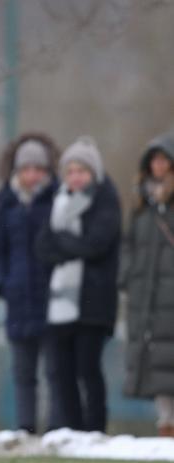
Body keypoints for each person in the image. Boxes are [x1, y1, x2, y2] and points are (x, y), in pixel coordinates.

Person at [36, 136, 121, 432]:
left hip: (94, 304)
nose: (75, 177)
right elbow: (42, 247)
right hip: (60, 305)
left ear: (93, 173)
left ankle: (94, 429)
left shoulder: (106, 199)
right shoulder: (58, 202)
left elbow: (96, 245)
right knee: (62, 371)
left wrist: (63, 244)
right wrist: (70, 245)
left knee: (88, 369)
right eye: (70, 171)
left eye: (81, 171)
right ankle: (71, 430)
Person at [0, 134, 60, 433]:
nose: (32, 175)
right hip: (18, 298)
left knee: (56, 370)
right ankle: (25, 427)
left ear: (46, 171)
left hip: (52, 299)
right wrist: (1, 282)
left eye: (38, 169)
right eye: (26, 169)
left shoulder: (59, 201)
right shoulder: (5, 205)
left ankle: (59, 429)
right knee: (22, 371)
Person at [120, 131, 174, 437]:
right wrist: (128, 277)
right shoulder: (141, 205)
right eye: (154, 160)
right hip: (148, 299)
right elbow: (128, 244)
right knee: (156, 364)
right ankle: (165, 427)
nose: (159, 166)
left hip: (169, 296)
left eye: (164, 160)